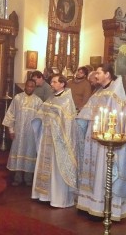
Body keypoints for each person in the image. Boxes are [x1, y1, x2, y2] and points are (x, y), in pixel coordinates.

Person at [76, 63, 126, 221]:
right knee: (92, 170)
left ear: (107, 74)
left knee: (103, 170)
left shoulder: (115, 92)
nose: (96, 76)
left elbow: (118, 119)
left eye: (99, 73)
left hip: (106, 140)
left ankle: (104, 207)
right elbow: (87, 111)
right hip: (93, 138)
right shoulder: (99, 91)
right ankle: (89, 204)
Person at [31, 74, 78, 208]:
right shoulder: (51, 97)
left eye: (54, 82)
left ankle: (57, 198)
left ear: (62, 84)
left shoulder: (67, 101)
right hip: (46, 137)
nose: (52, 84)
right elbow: (42, 111)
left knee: (56, 168)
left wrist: (57, 129)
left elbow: (68, 123)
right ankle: (44, 195)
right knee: (45, 165)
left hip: (59, 141)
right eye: (51, 82)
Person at [2, 79, 43, 186]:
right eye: (28, 86)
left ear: (35, 88)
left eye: (32, 86)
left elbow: (40, 119)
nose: (30, 88)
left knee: (29, 153)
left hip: (31, 134)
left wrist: (38, 134)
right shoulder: (18, 98)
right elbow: (11, 114)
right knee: (18, 151)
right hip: (19, 132)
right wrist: (11, 130)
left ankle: (28, 178)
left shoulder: (38, 101)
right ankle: (17, 178)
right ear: (25, 86)